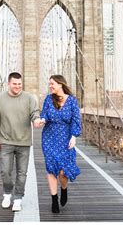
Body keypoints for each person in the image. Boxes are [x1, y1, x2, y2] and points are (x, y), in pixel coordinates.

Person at [0, 72, 40, 212]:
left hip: (24, 142)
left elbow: (34, 112)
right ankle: (7, 194)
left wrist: (36, 119)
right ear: (8, 84)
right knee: (5, 171)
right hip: (5, 141)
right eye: (14, 84)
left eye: (19, 84)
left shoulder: (29, 98)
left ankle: (18, 198)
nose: (17, 86)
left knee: (22, 173)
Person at [37, 74, 81, 213]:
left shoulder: (72, 101)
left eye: (52, 84)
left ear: (60, 84)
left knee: (63, 172)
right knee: (51, 169)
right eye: (49, 84)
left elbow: (76, 119)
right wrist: (42, 120)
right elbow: (44, 114)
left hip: (66, 138)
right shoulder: (49, 99)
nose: (50, 86)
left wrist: (74, 136)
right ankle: (54, 199)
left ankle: (64, 189)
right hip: (49, 137)